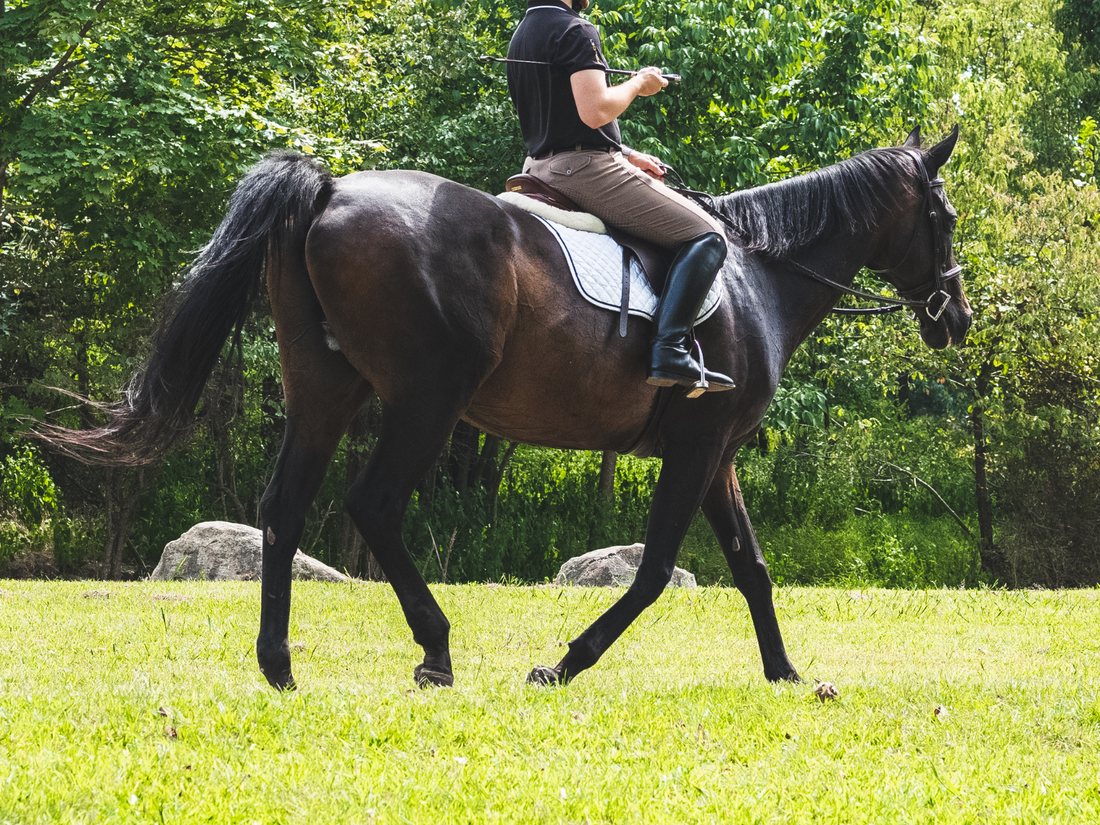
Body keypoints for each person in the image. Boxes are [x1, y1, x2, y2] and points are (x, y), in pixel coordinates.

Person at [506, 0, 734, 394]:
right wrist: (638, 84)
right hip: (583, 171)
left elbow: (557, 112)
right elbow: (595, 111)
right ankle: (670, 350)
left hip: (538, 166)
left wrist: (626, 153)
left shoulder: (524, 33)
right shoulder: (575, 30)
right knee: (708, 236)